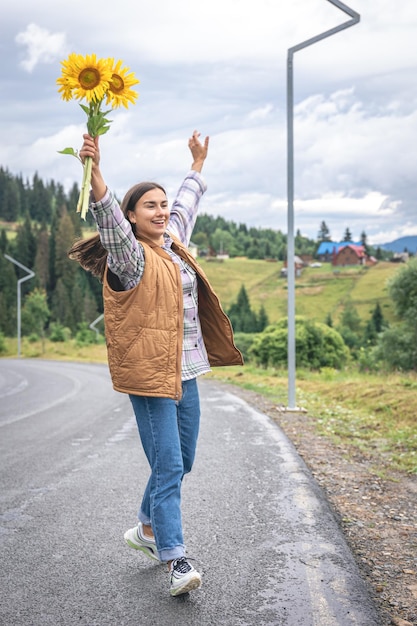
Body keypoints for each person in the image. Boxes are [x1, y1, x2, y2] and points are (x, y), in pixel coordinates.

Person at [68, 130, 243, 597]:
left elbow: (186, 206)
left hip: (186, 373)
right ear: (131, 216)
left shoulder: (173, 243)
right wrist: (97, 172)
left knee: (182, 460)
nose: (162, 211)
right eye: (150, 206)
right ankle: (176, 558)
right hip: (150, 378)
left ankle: (146, 527)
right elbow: (108, 221)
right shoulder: (131, 257)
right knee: (168, 466)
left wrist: (197, 164)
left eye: (162, 205)